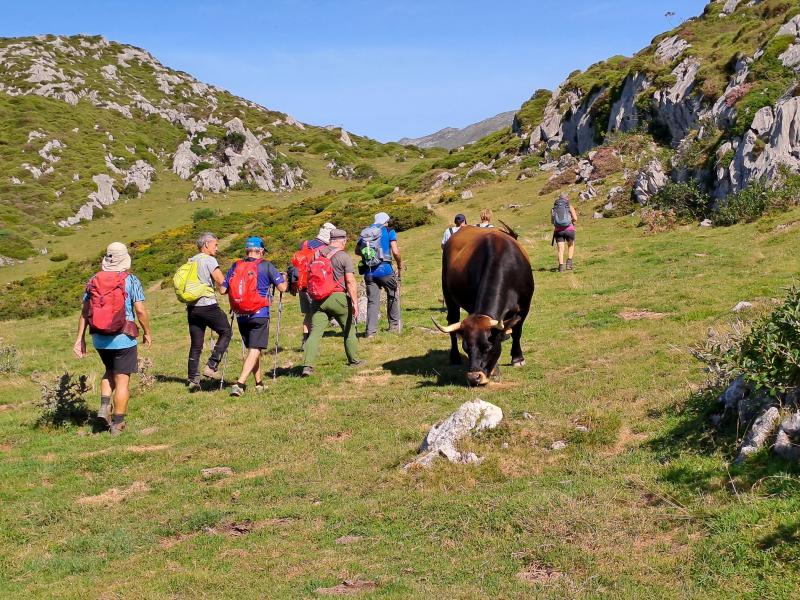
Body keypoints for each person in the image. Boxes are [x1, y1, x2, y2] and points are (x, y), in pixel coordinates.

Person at [73, 242, 152, 436]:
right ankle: (118, 424)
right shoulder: (131, 280)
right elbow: (140, 310)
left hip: (99, 337)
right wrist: (147, 331)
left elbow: (85, 312)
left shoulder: (93, 280)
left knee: (109, 371)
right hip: (123, 336)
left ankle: (103, 407)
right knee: (123, 380)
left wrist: (79, 339)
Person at [222, 236, 287, 397]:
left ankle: (259, 383)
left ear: (247, 250)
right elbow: (282, 288)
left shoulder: (236, 265)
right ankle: (240, 384)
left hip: (241, 314)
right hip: (259, 313)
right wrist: (283, 277)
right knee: (255, 349)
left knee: (253, 349)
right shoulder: (266, 265)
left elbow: (223, 290)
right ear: (261, 250)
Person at [301, 228, 360, 376]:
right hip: (338, 298)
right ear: (343, 241)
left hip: (318, 299)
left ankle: (307, 366)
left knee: (315, 333)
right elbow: (350, 281)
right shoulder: (343, 256)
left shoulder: (316, 254)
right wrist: (355, 303)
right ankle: (354, 360)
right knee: (349, 330)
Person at [184, 232, 232, 392]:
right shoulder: (209, 260)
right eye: (215, 245)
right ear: (206, 245)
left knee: (196, 344)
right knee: (226, 331)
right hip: (207, 305)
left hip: (192, 307)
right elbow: (221, 281)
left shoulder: (191, 260)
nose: (217, 248)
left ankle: (192, 379)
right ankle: (211, 365)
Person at [356, 211, 403, 338]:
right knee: (393, 294)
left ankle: (370, 332)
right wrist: (399, 265)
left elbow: (356, 251)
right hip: (385, 269)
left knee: (372, 301)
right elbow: (395, 251)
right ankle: (394, 326)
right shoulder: (389, 231)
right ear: (385, 221)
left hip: (369, 271)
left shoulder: (365, 232)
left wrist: (370, 257)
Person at [296, 222, 335, 349]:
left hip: (302, 282)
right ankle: (312, 342)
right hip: (316, 284)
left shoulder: (306, 244)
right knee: (317, 312)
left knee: (308, 313)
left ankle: (305, 341)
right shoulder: (325, 248)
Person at [552, 193, 578, 272]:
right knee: (570, 246)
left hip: (558, 231)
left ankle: (561, 267)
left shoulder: (554, 208)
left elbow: (552, 221)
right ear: (566, 199)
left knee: (560, 249)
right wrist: (570, 221)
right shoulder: (569, 207)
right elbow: (575, 218)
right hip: (569, 229)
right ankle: (569, 264)